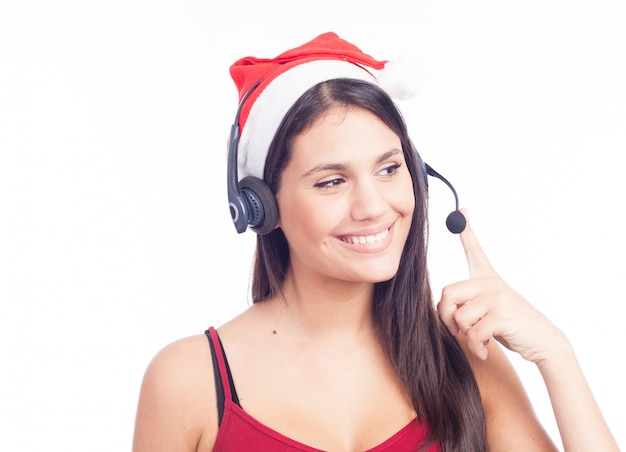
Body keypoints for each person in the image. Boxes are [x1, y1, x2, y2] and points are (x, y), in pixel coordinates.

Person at [132, 32, 618, 451]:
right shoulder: (188, 382)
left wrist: (557, 356)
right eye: (331, 181)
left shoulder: (467, 361)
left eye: (389, 169)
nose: (372, 206)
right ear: (261, 206)